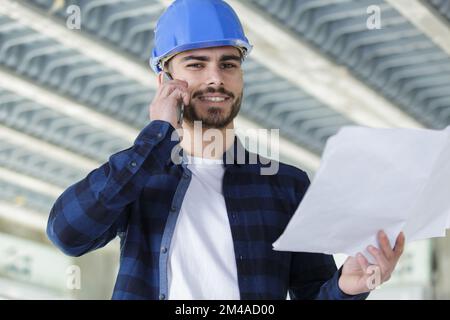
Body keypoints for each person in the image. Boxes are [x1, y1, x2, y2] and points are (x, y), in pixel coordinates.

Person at [47, 0, 404, 300]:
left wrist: (347, 286)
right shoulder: (139, 178)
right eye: (196, 64)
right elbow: (68, 234)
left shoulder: (287, 186)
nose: (216, 78)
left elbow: (314, 291)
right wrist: (157, 135)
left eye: (228, 64)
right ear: (165, 81)